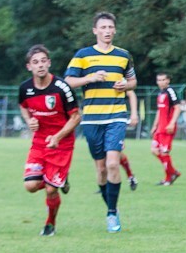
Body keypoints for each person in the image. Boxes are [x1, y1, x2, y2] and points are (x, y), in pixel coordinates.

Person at [65, 12, 137, 233]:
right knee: (101, 170)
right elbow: (68, 81)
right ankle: (111, 208)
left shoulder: (123, 55)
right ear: (95, 31)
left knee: (113, 164)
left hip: (116, 116)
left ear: (114, 30)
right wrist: (90, 78)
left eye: (110, 27)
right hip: (92, 119)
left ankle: (112, 213)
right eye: (103, 27)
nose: (107, 31)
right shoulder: (83, 56)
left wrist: (125, 85)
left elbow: (133, 81)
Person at [19, 44, 80, 236]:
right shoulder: (25, 88)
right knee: (30, 186)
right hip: (39, 143)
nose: (40, 65)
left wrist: (58, 136)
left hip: (62, 144)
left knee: (51, 190)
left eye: (43, 61)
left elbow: (76, 117)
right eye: (35, 62)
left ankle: (50, 224)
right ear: (29, 66)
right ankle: (59, 180)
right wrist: (30, 121)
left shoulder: (62, 88)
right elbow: (23, 106)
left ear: (49, 63)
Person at [150, 72, 181, 186]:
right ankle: (173, 172)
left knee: (164, 153)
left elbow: (178, 108)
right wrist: (154, 125)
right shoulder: (160, 93)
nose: (161, 82)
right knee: (154, 150)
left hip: (168, 128)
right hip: (160, 128)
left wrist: (172, 123)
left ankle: (168, 178)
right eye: (159, 80)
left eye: (163, 80)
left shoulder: (170, 91)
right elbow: (159, 110)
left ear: (168, 80)